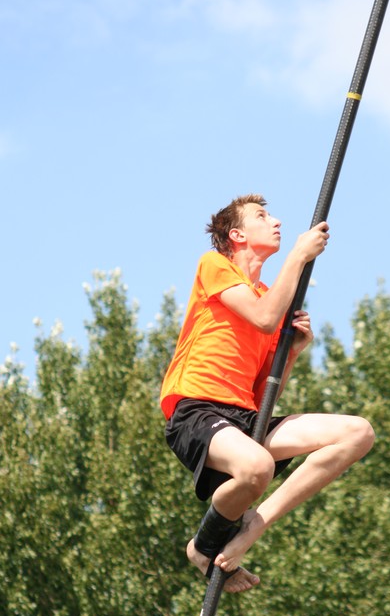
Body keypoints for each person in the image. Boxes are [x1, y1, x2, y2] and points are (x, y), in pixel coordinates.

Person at [160, 194, 374, 593]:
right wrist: (297, 256)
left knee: (358, 433)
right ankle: (201, 547)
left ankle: (253, 526)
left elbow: (262, 399)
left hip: (242, 419)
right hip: (197, 410)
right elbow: (262, 318)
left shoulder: (269, 296)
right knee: (257, 467)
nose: (276, 221)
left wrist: (290, 354)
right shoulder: (215, 266)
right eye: (262, 216)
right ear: (237, 235)